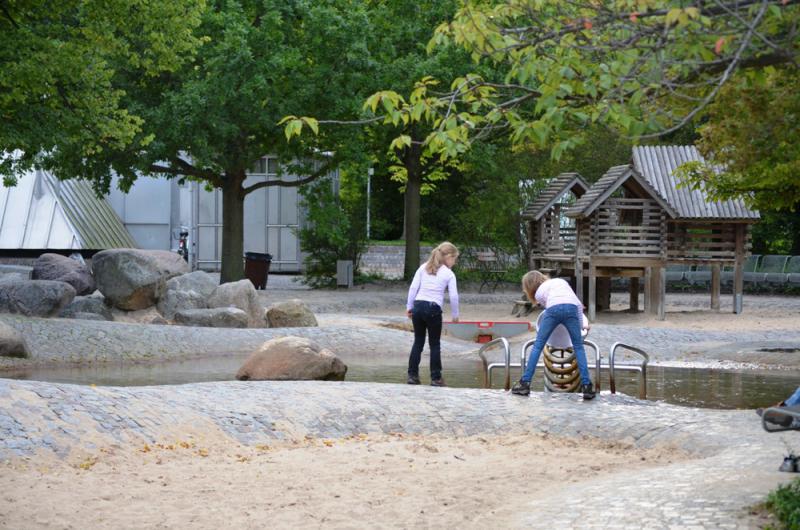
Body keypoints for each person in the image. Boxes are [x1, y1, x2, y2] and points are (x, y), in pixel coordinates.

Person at [511, 270, 595, 400]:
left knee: (538, 345)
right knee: (578, 347)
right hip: (572, 308)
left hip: (553, 310)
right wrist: (582, 326)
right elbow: (578, 305)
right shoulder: (561, 281)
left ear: (529, 286)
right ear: (542, 277)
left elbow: (549, 310)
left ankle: (525, 384)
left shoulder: (538, 294)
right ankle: (587, 387)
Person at [406, 242, 460, 387]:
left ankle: (412, 376)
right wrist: (455, 315)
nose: (454, 263)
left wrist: (409, 307)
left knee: (418, 341)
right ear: (448, 257)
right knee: (434, 344)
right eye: (454, 259)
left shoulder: (423, 268)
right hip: (433, 309)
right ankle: (436, 378)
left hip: (418, 306)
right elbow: (454, 296)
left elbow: (413, 288)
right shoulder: (449, 274)